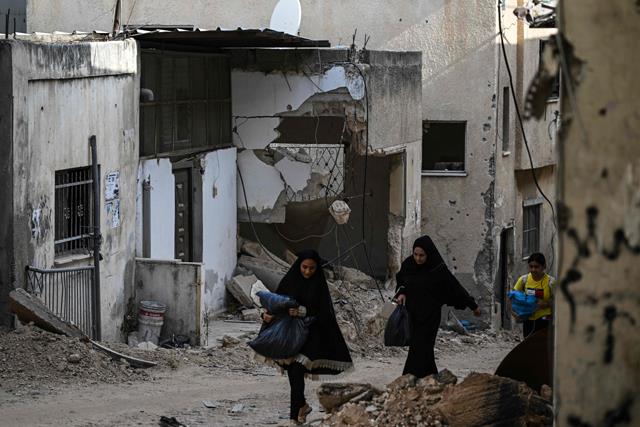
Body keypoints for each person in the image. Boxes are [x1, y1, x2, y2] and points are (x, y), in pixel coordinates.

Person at [260, 250, 353, 426]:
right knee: (293, 373)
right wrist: (266, 315)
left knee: (296, 370)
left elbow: (325, 313)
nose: (307, 272)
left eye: (311, 268)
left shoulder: (319, 285)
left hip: (311, 336)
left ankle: (294, 417)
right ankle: (301, 406)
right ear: (298, 266)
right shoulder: (289, 281)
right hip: (290, 335)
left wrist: (303, 312)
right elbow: (277, 303)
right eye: (304, 267)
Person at [395, 236, 481, 378]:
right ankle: (430, 376)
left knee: (422, 346)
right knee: (421, 348)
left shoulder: (437, 269)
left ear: (429, 254)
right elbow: (401, 281)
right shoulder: (408, 265)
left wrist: (473, 305)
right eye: (415, 254)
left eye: (422, 255)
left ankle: (410, 377)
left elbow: (455, 287)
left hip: (430, 316)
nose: (418, 258)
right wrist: (401, 293)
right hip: (412, 314)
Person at [512, 252, 555, 338]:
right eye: (531, 266)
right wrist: (515, 314)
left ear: (544, 266)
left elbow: (560, 301)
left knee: (543, 344)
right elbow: (512, 297)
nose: (533, 270)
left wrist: (547, 303)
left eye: (536, 267)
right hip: (528, 320)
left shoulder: (551, 282)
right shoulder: (523, 280)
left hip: (545, 320)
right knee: (529, 344)